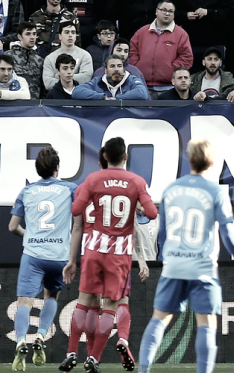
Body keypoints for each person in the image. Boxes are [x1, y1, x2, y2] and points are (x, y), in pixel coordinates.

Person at [138, 139, 234, 373]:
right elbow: (227, 230)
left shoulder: (171, 189)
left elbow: (164, 230)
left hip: (174, 265)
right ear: (212, 162)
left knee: (159, 319)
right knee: (207, 323)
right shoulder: (215, 192)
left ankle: (143, 370)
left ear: (189, 159)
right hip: (202, 268)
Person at [63, 137, 158, 373]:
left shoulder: (92, 180)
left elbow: (76, 211)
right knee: (112, 306)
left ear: (104, 157)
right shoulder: (136, 181)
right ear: (125, 156)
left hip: (93, 249)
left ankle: (72, 351)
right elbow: (152, 213)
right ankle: (95, 358)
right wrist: (135, 202)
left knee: (86, 303)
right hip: (119, 253)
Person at [9, 146, 78, 372]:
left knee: (24, 302)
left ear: (37, 169)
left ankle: (21, 341)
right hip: (59, 255)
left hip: (33, 255)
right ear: (57, 167)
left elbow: (12, 227)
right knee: (52, 296)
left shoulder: (26, 191)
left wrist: (27, 235)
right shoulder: (70, 189)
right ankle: (40, 336)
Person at [130, 0, 194, 99]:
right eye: (164, 10)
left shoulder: (181, 34)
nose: (167, 13)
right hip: (142, 88)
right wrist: (138, 68)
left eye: (170, 11)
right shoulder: (141, 32)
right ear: (156, 11)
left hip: (168, 89)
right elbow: (132, 52)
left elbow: (187, 58)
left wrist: (171, 71)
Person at [172, 0, 234, 71]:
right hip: (190, 44)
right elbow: (173, 12)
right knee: (189, 78)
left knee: (213, 79)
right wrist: (185, 15)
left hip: (215, 44)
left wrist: (209, 12)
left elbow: (229, 14)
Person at [42, 22, 92, 91]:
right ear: (60, 36)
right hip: (57, 98)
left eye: (73, 32)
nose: (70, 35)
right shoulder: (50, 58)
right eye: (67, 32)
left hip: (79, 97)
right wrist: (73, 78)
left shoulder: (85, 55)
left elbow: (86, 79)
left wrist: (60, 76)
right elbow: (48, 84)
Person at [73, 55, 149, 100]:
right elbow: (77, 91)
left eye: (119, 66)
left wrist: (117, 98)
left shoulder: (132, 80)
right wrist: (103, 97)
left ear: (123, 69)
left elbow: (142, 93)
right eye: (112, 66)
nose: (116, 69)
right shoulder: (97, 81)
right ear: (105, 70)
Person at [4, 22, 44, 99]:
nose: (32, 37)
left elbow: (43, 87)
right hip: (14, 103)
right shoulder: (8, 57)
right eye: (28, 34)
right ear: (19, 36)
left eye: (34, 34)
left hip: (34, 104)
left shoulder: (40, 60)